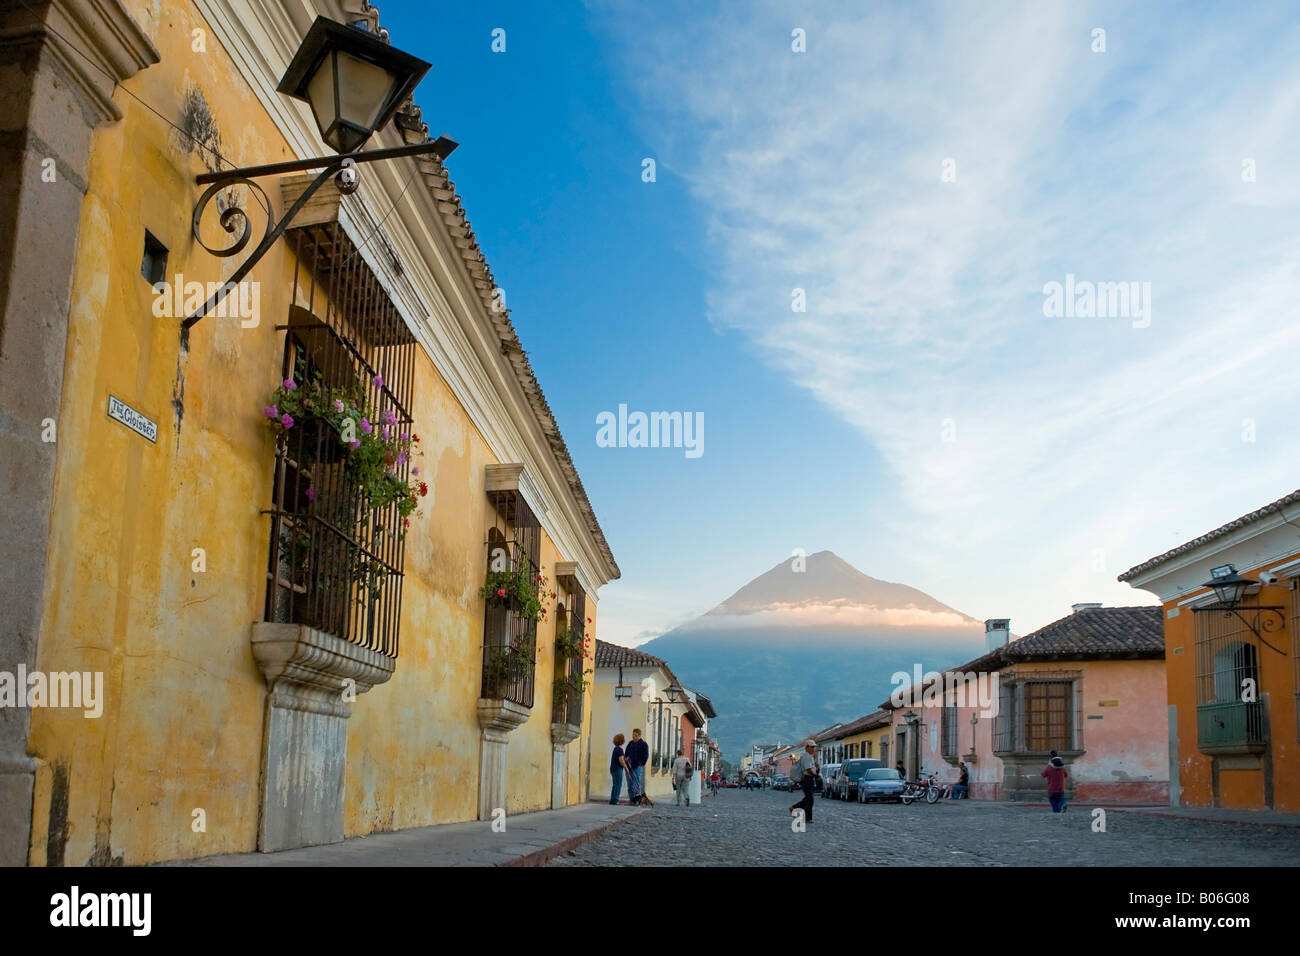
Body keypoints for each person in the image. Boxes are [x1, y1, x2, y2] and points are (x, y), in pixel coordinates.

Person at [788, 739, 820, 825]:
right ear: (807, 747)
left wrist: (816, 767)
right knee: (810, 800)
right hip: (807, 779)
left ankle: (794, 808)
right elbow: (808, 769)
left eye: (814, 747)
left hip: (809, 779)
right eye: (812, 747)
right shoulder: (807, 757)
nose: (813, 748)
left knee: (808, 798)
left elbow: (812, 768)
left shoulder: (809, 756)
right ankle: (807, 818)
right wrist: (815, 775)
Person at [625, 729, 649, 801]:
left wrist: (641, 763)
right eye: (633, 735)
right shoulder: (630, 744)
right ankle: (631, 799)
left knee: (636, 782)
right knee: (629, 784)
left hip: (637, 766)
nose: (633, 736)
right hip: (629, 767)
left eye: (635, 735)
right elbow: (626, 754)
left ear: (639, 735)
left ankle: (637, 798)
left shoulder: (643, 744)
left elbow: (646, 755)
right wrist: (626, 760)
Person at [609, 734, 629, 804]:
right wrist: (626, 768)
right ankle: (615, 800)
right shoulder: (620, 750)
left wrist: (624, 758)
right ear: (622, 741)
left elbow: (620, 758)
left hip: (613, 769)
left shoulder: (615, 749)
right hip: (618, 769)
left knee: (615, 784)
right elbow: (621, 761)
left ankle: (613, 799)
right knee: (618, 784)